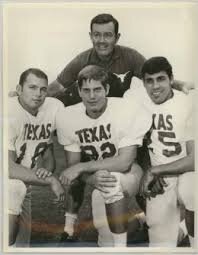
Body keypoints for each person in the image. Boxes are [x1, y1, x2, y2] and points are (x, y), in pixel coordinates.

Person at [56, 65, 152, 246]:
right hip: (99, 178)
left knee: (112, 181)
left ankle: (120, 249)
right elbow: (72, 169)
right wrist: (90, 178)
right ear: (79, 91)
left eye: (97, 89)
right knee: (105, 241)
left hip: (130, 174)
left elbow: (124, 162)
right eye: (86, 90)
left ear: (107, 89)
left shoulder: (124, 109)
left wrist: (82, 167)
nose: (92, 96)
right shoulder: (68, 116)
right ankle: (140, 221)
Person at [46, 13, 191, 106]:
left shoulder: (130, 56)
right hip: (91, 115)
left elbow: (153, 76)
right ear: (90, 36)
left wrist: (180, 85)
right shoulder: (82, 59)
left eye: (108, 35)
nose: (101, 41)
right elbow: (57, 86)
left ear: (117, 37)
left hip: (119, 115)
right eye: (97, 35)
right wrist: (31, 98)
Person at [138, 57, 195, 247]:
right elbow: (138, 146)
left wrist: (154, 171)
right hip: (161, 179)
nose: (155, 86)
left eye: (160, 79)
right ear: (143, 83)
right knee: (160, 245)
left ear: (171, 79)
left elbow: (194, 160)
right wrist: (150, 169)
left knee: (190, 189)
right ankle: (180, 230)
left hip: (188, 172)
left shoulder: (188, 104)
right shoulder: (138, 103)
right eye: (149, 80)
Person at [8, 68, 65, 247]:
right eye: (32, 87)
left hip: (24, 185)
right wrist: (51, 180)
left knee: (21, 246)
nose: (38, 94)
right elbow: (7, 167)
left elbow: (47, 151)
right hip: (8, 183)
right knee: (6, 241)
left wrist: (46, 170)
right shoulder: (8, 112)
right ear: (18, 89)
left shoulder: (51, 109)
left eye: (43, 89)